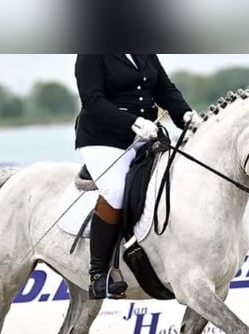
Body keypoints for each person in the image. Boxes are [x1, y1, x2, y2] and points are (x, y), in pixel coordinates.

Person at [74, 54, 201, 299]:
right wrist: (132, 122)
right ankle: (99, 274)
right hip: (104, 139)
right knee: (117, 191)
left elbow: (164, 88)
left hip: (145, 134)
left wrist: (185, 114)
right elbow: (93, 101)